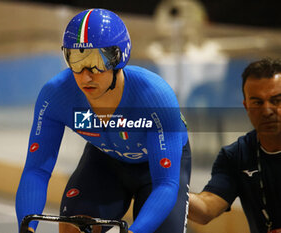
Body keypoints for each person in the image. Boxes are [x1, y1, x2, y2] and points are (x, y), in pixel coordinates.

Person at [15, 8, 191, 233]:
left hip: (157, 170)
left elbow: (165, 185)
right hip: (106, 161)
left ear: (119, 57)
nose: (85, 75)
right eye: (76, 60)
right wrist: (26, 228)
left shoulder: (156, 97)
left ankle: (200, 203)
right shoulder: (56, 96)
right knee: (73, 229)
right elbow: (36, 170)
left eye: (96, 61)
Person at [188, 58, 281, 233]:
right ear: (246, 106)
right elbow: (206, 210)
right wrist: (169, 188)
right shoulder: (237, 155)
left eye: (276, 100)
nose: (267, 111)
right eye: (257, 102)